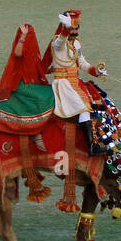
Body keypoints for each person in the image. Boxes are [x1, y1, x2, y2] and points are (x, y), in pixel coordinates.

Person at [45, 10, 107, 153]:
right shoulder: (57, 42)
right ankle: (91, 146)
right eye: (71, 28)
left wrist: (96, 71)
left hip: (76, 82)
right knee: (83, 108)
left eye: (75, 28)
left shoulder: (77, 43)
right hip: (63, 84)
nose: (73, 31)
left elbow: (82, 62)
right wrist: (65, 29)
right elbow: (61, 41)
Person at [0, 22, 54, 150]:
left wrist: (54, 69)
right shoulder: (21, 48)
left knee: (52, 90)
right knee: (45, 96)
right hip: (22, 85)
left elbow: (38, 69)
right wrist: (23, 36)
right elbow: (17, 53)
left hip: (31, 84)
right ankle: (35, 131)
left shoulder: (33, 53)